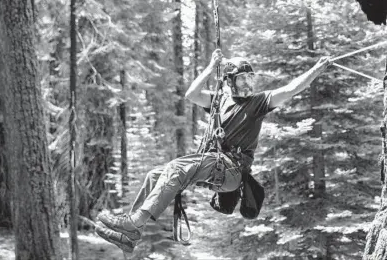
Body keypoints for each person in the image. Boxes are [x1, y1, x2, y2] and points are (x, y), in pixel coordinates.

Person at [95, 49, 332, 253]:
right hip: (214, 165)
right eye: (242, 79)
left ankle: (134, 221)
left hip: (231, 171)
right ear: (229, 81)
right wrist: (210, 67)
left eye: (251, 77)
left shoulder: (258, 102)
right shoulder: (219, 100)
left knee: (177, 167)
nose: (249, 83)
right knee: (155, 175)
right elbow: (192, 95)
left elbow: (290, 89)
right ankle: (131, 237)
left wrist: (316, 69)